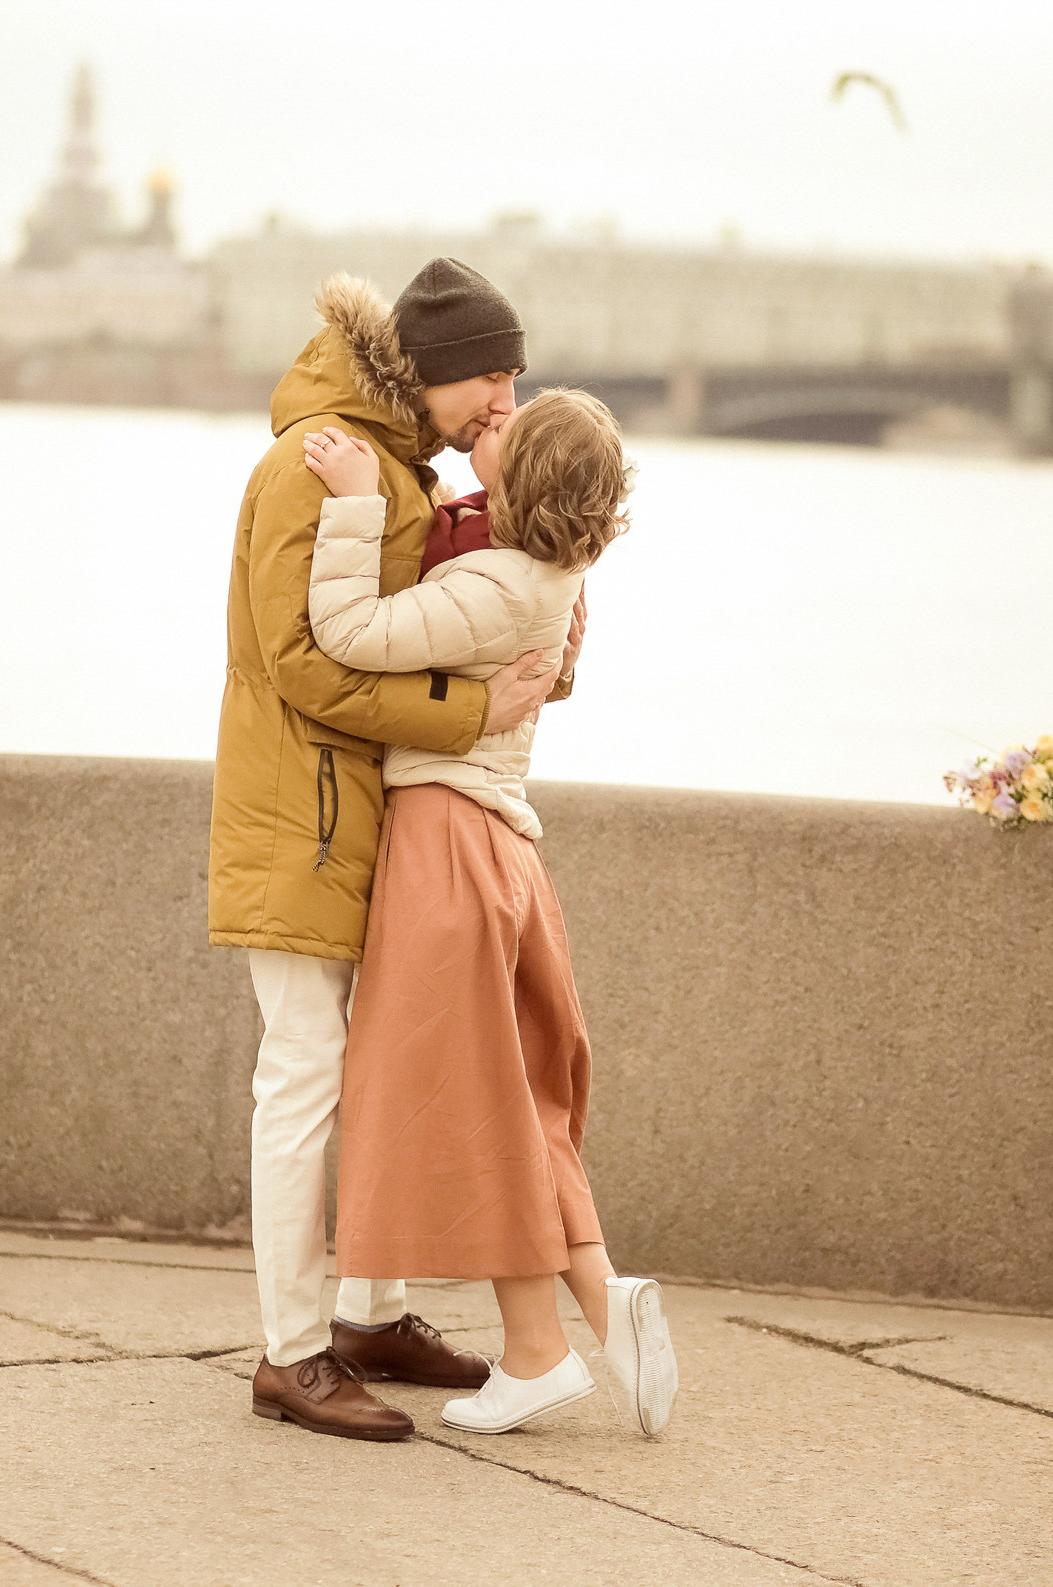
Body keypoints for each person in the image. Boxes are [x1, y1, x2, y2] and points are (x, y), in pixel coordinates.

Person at [210, 258, 561, 1444]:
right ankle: (291, 1354)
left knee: (370, 1072)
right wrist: (473, 713)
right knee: (302, 1075)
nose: (504, 405)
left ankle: (370, 1316)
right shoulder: (312, 462)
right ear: (437, 373)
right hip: (302, 816)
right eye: (495, 379)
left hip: (356, 813)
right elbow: (304, 662)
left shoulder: (395, 466)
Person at [296, 388, 679, 1438]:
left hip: (445, 842)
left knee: (468, 1100)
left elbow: (346, 630)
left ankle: (540, 1350)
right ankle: (602, 1306)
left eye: (512, 426)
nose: (488, 425)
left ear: (528, 478)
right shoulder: (555, 574)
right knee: (520, 1097)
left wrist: (355, 504)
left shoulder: (492, 582)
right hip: (499, 844)